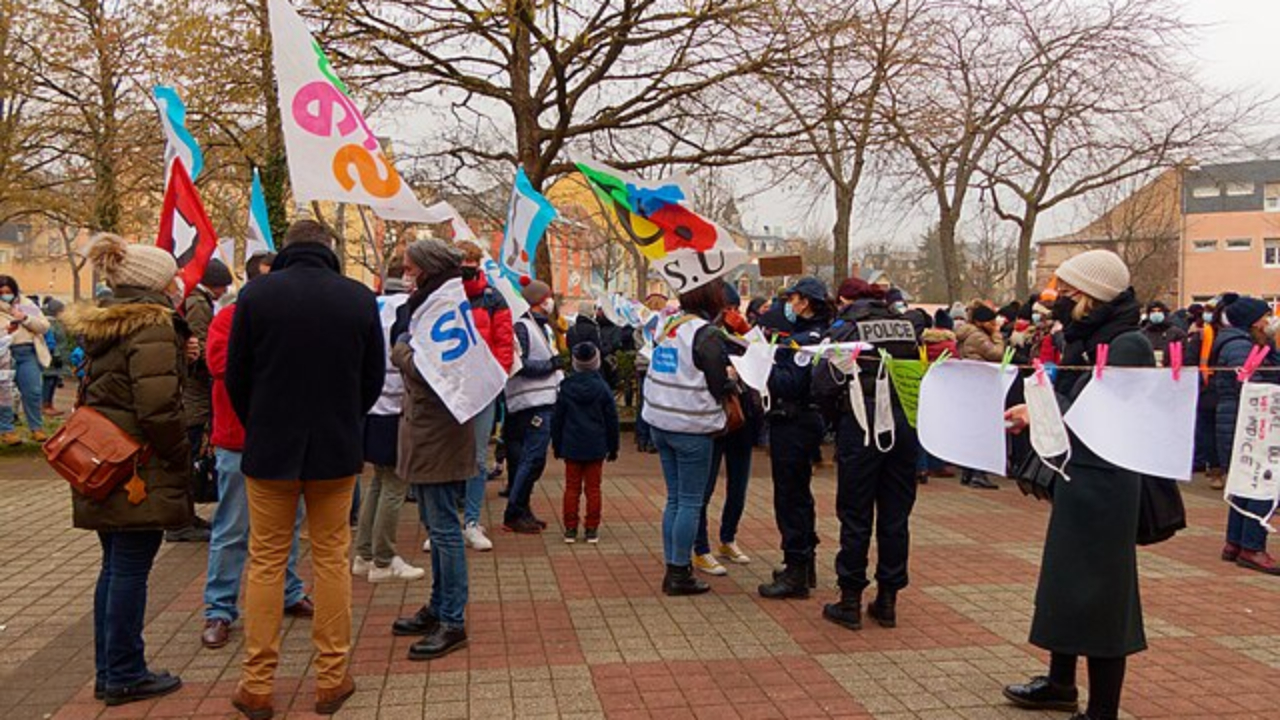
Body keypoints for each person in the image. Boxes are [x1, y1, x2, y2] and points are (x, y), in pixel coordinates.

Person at [225, 220, 385, 719]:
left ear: (286, 251)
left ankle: (257, 685)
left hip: (271, 449)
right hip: (335, 450)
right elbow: (372, 379)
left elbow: (237, 377)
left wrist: (264, 422)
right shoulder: (358, 298)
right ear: (330, 250)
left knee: (268, 560)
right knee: (332, 558)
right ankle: (332, 679)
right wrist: (344, 419)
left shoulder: (255, 296)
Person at [1003, 249, 1147, 720]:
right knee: (1066, 584)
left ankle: (1104, 709)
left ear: (1092, 294)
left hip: (1108, 484)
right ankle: (1061, 683)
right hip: (1077, 475)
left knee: (1103, 595)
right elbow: (1068, 398)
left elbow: (1105, 412)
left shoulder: (1127, 344)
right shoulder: (1083, 338)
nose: (1057, 298)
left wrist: (1043, 411)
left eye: (1066, 290)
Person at [65, 235, 191, 706]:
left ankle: (111, 668)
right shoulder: (151, 324)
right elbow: (157, 405)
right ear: (153, 282)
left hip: (104, 460)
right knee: (131, 568)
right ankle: (123, 672)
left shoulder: (107, 324)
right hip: (136, 464)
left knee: (115, 566)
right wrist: (180, 453)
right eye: (170, 274)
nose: (178, 280)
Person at [201, 251, 316, 650]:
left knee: (289, 524)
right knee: (232, 528)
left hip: (286, 441)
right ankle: (219, 608)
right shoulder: (228, 319)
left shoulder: (291, 319)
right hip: (239, 440)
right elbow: (220, 366)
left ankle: (288, 590)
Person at [813, 276, 920, 631]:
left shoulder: (846, 328)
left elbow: (824, 382)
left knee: (856, 514)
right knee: (895, 515)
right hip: (904, 424)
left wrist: (835, 421)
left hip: (861, 423)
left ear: (844, 300)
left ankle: (849, 601)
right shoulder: (905, 325)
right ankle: (888, 599)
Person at [388, 239, 476, 661]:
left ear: (426, 269)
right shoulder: (432, 302)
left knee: (444, 529)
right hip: (427, 433)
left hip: (438, 434)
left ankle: (453, 620)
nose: (405, 275)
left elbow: (430, 369)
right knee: (435, 526)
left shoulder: (443, 307)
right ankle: (439, 606)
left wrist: (401, 349)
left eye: (409, 268)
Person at [643, 281, 734, 596]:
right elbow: (718, 382)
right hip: (691, 426)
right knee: (691, 502)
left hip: (661, 421)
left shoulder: (669, 325)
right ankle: (680, 573)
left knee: (675, 500)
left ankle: (674, 566)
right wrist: (733, 381)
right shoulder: (705, 334)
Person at [755, 277, 831, 596]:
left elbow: (789, 383)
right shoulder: (812, 334)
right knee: (798, 494)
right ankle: (802, 563)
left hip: (795, 420)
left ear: (807, 302)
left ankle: (797, 571)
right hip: (801, 420)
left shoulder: (807, 339)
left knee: (790, 497)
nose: (790, 303)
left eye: (794, 298)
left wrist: (761, 363)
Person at [351, 268, 426, 582]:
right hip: (397, 406)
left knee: (379, 483)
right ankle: (383, 559)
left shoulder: (374, 305)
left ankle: (364, 554)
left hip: (373, 405)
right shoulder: (406, 311)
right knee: (395, 484)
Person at [692, 282, 756, 576]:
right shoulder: (705, 335)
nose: (731, 314)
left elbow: (763, 362)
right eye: (726, 310)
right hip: (715, 417)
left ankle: (728, 538)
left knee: (739, 484)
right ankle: (700, 547)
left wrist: (746, 333)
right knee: (705, 486)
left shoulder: (746, 331)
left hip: (743, 416)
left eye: (735, 309)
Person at [1212, 296, 1280, 574]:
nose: (1269, 321)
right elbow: (1254, 384)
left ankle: (1236, 541)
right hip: (1251, 419)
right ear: (1254, 321)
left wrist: (1272, 345)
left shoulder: (1247, 342)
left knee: (1244, 480)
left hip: (1241, 419)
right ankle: (1252, 545)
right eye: (1266, 316)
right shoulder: (1240, 346)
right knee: (1262, 479)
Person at [170, 260, 234, 543]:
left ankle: (185, 517)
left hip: (194, 396)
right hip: (194, 398)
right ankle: (179, 522)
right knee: (188, 456)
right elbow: (201, 346)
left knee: (190, 455)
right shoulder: (199, 304)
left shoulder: (196, 300)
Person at [457, 241, 514, 551]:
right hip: (450, 389)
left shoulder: (493, 298)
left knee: (478, 460)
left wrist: (496, 378)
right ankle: (447, 522)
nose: (465, 266)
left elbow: (504, 342)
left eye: (470, 261)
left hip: (482, 389)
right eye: (460, 261)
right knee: (449, 458)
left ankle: (472, 521)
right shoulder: (444, 296)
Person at [502, 279, 564, 534]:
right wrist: (552, 365)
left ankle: (523, 509)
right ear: (540, 300)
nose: (552, 302)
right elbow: (520, 365)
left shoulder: (542, 328)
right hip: (530, 402)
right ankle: (514, 512)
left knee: (527, 461)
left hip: (540, 401)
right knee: (532, 459)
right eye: (548, 297)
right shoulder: (523, 327)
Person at [553, 342, 620, 543]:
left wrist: (557, 444)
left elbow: (558, 419)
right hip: (596, 444)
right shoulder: (603, 388)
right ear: (596, 362)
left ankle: (570, 528)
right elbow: (612, 420)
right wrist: (613, 446)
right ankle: (592, 528)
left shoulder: (566, 387)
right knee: (593, 488)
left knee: (571, 487)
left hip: (571, 444)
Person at [954, 303, 1005, 489]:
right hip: (980, 384)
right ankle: (978, 473)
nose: (994, 324)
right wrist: (998, 337)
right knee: (982, 428)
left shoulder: (967, 333)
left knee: (972, 427)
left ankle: (968, 472)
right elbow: (996, 354)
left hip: (970, 383)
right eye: (991, 321)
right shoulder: (978, 336)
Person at [0, 275, 50, 445]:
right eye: (2, 292)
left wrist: (25, 318)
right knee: (3, 394)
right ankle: (7, 431)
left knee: (33, 391)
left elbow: (43, 326)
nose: (5, 295)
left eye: (9, 291)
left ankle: (36, 428)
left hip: (27, 352)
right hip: (4, 353)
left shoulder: (26, 304)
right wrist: (6, 330)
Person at [40, 299, 71, 417]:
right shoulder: (49, 324)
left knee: (53, 381)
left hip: (57, 358)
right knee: (48, 381)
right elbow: (51, 341)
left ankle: (50, 404)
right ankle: (45, 405)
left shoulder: (57, 323)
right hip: (52, 358)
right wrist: (56, 355)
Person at [1139, 300, 1187, 366]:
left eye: (1159, 311)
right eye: (1153, 311)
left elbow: (1183, 354)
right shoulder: (1142, 334)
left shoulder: (1177, 334)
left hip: (1169, 371)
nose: (1156, 314)